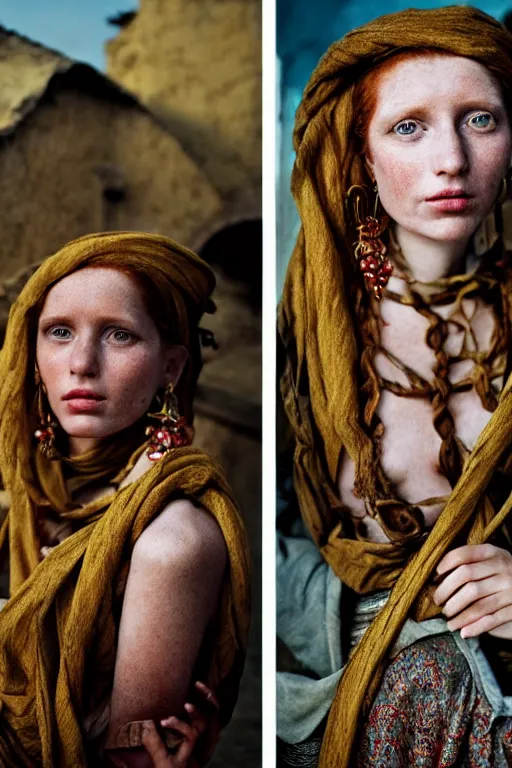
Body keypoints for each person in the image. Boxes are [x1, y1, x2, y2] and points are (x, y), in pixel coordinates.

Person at [277, 7, 512, 767]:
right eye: (408, 127)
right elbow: (263, 523)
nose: (451, 157)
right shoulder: (313, 327)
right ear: (364, 158)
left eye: (480, 119)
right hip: (348, 679)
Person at [0, 231, 251, 767]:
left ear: (171, 367)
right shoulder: (44, 493)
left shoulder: (170, 542)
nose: (82, 363)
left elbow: (133, 761)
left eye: (118, 335)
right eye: (59, 332)